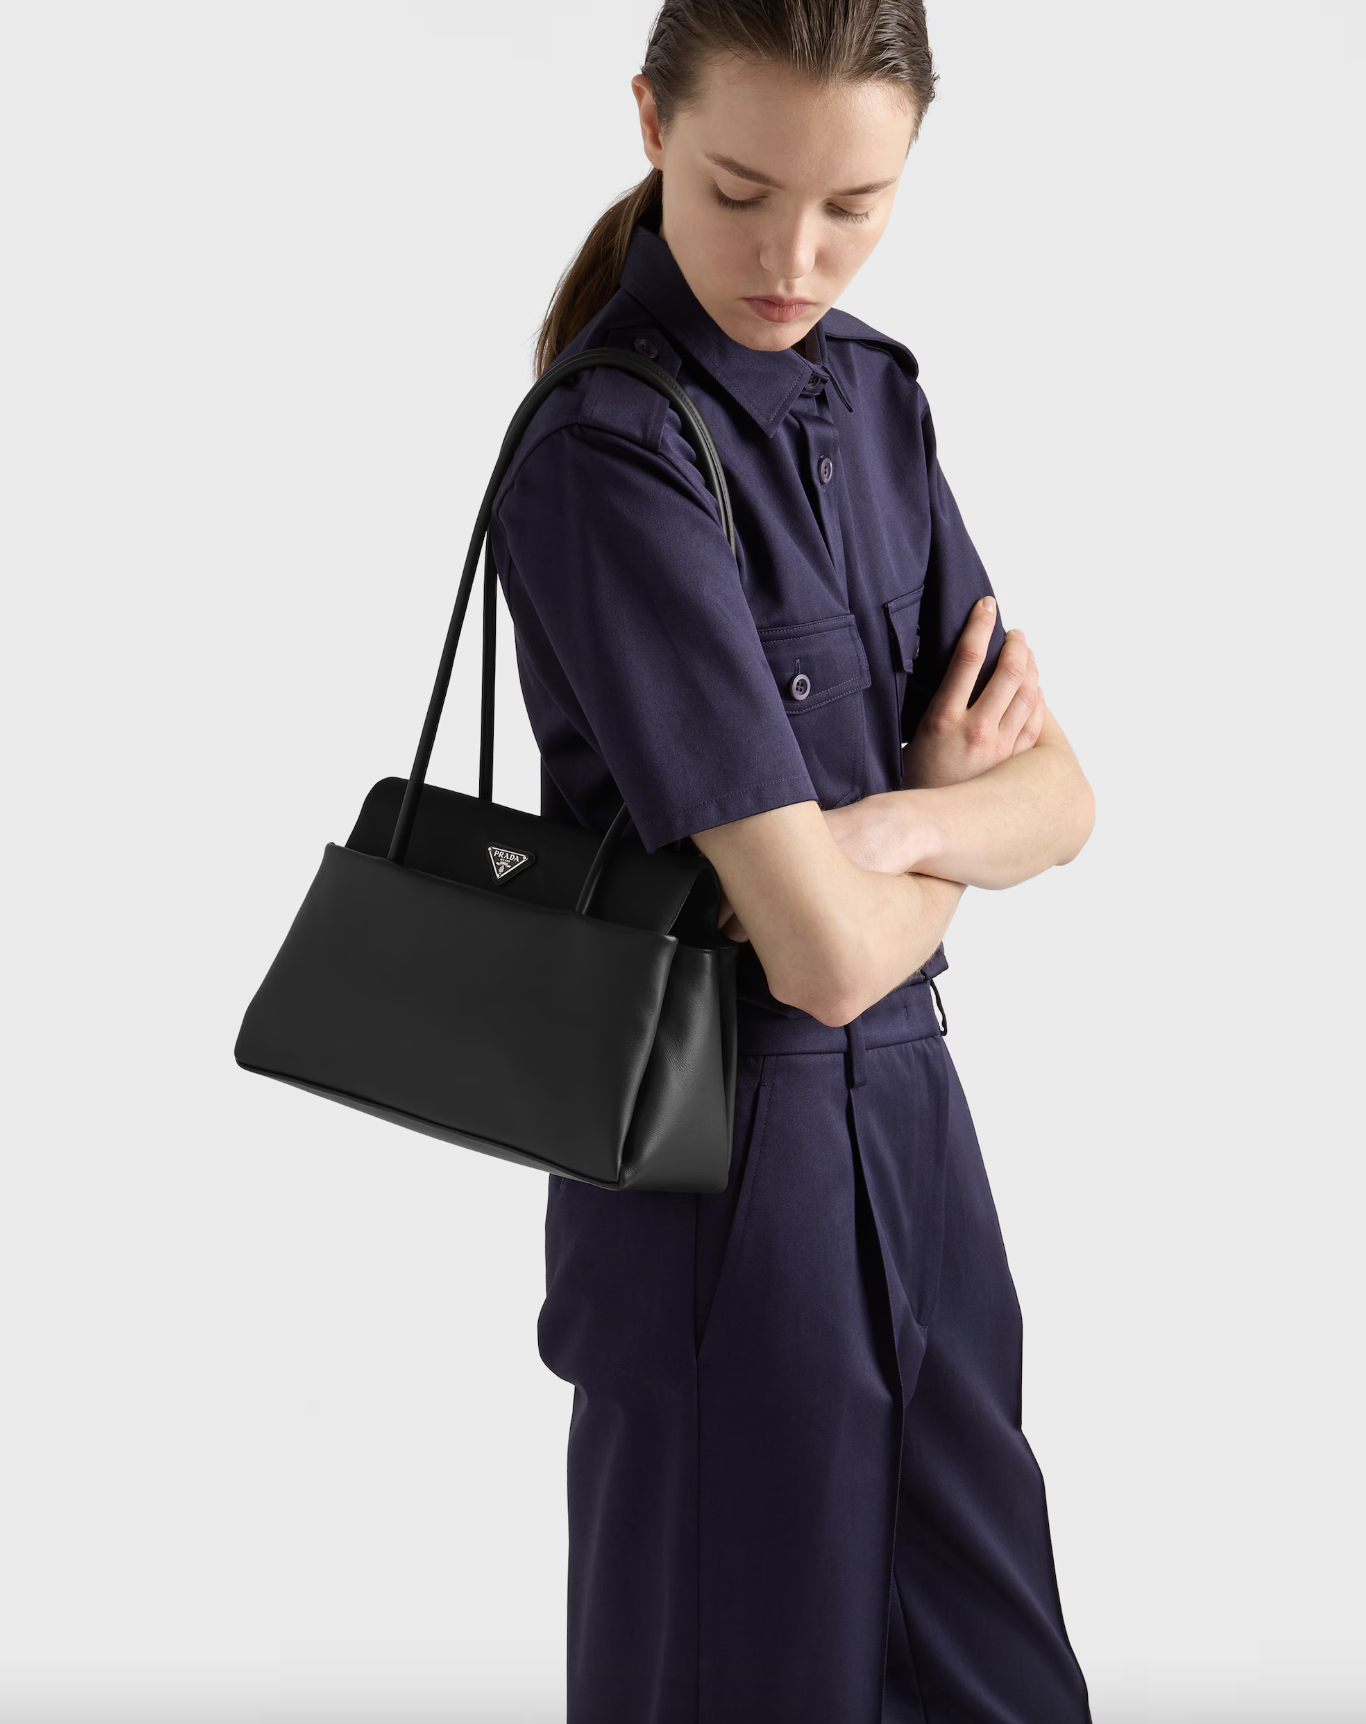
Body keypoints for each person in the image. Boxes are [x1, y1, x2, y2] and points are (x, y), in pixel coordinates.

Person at [488, 3, 1096, 1719]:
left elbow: (1061, 797)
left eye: (854, 205)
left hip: (914, 1135)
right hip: (717, 1175)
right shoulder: (609, 459)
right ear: (651, 124)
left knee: (997, 1676)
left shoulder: (875, 399)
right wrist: (943, 839)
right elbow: (817, 959)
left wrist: (893, 821)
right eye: (741, 191)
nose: (793, 259)